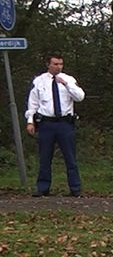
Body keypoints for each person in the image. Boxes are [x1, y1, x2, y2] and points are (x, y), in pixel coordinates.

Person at [26, 53, 86, 197]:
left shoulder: (69, 80)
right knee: (45, 157)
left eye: (60, 64)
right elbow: (33, 103)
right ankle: (43, 188)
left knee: (70, 157)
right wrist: (30, 121)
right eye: (55, 64)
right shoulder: (39, 81)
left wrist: (66, 85)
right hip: (47, 123)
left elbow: (80, 97)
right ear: (48, 65)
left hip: (65, 123)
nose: (58, 67)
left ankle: (75, 188)